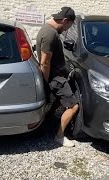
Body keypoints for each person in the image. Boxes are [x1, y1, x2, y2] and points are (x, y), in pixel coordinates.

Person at [36, 7, 79, 147]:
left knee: (57, 102)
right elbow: (45, 62)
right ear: (65, 21)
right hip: (56, 78)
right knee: (73, 106)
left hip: (55, 77)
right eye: (69, 26)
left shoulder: (46, 29)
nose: (67, 30)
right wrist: (45, 83)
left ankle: (45, 124)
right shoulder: (51, 34)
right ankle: (59, 136)